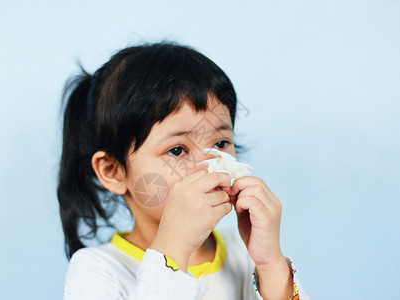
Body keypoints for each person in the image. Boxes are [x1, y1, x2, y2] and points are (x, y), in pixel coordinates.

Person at [58, 41, 310, 300]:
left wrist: (270, 264)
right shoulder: (97, 270)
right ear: (113, 171)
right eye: (177, 150)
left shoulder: (244, 252)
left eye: (220, 143)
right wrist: (172, 252)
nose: (207, 165)